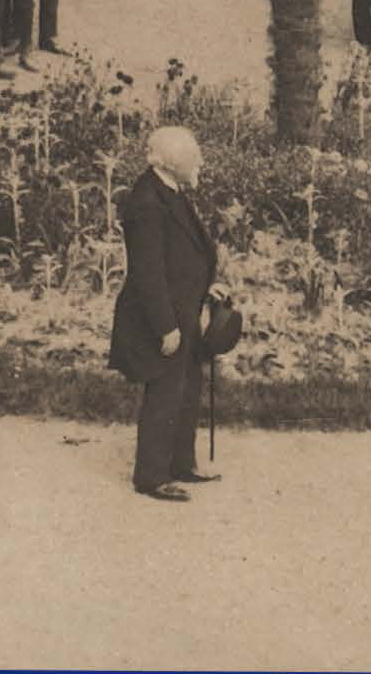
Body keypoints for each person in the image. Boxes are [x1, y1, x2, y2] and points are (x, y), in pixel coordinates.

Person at [109, 125, 225, 501]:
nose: (201, 163)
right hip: (161, 317)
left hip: (185, 309)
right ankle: (151, 476)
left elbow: (185, 252)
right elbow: (148, 273)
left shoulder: (170, 192)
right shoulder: (146, 202)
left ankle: (180, 463)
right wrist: (166, 327)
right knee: (164, 393)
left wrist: (208, 285)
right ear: (174, 162)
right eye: (195, 157)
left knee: (187, 388)